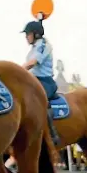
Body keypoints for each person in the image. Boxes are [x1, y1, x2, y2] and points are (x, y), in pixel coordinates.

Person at [21, 14, 60, 145]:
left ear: (36, 34)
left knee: (39, 101)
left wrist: (17, 70)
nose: (26, 37)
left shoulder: (43, 45)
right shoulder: (34, 47)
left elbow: (32, 63)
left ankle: (52, 134)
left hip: (45, 81)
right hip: (34, 81)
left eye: (28, 34)